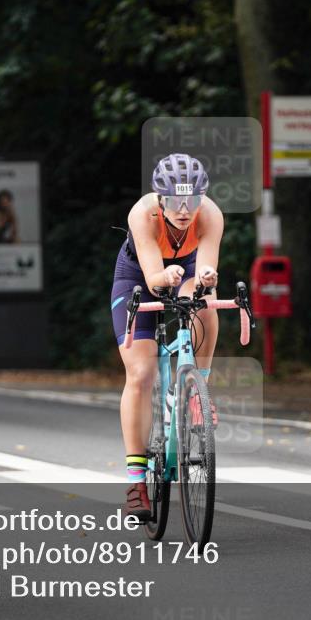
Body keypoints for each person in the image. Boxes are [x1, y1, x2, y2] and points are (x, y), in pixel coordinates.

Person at [110, 153, 223, 520]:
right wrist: (164, 278)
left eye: (192, 200)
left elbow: (206, 264)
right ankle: (136, 480)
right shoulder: (142, 214)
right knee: (141, 374)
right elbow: (154, 276)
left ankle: (196, 391)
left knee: (205, 305)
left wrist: (206, 278)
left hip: (185, 269)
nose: (185, 209)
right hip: (139, 275)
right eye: (176, 201)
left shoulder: (211, 215)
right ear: (160, 198)